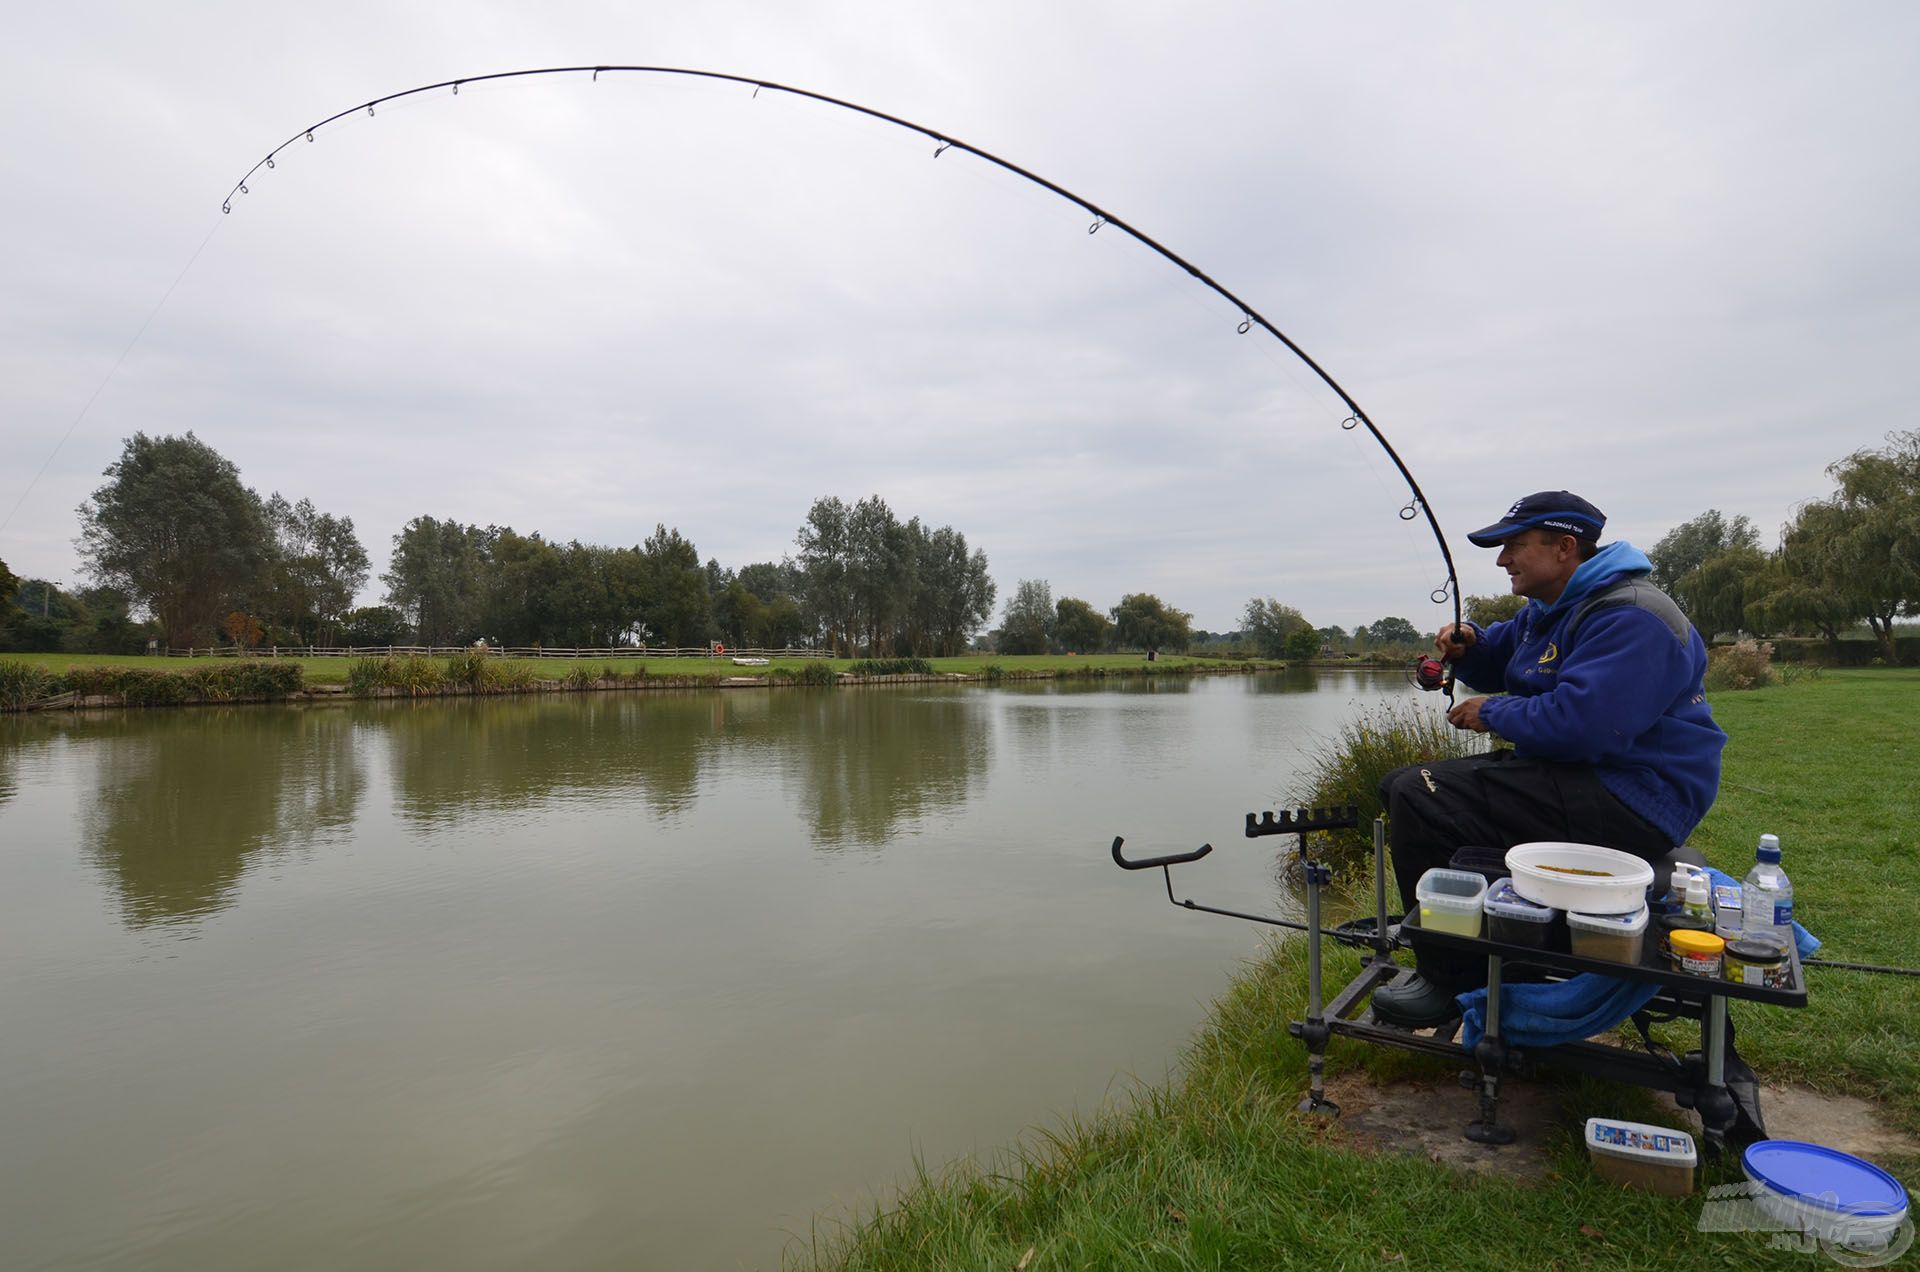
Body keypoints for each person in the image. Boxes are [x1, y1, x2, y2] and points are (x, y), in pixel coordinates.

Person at [1369, 491, 1727, 1027]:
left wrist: (1492, 712)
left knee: (1420, 795)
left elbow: (1584, 726)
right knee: (1401, 784)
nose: (1501, 559)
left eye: (1513, 545)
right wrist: (1473, 646)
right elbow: (1506, 663)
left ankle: (1448, 979)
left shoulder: (1633, 616)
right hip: (1584, 778)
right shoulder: (1551, 609)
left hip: (1636, 796)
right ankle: (1508, 948)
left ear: (1564, 548)